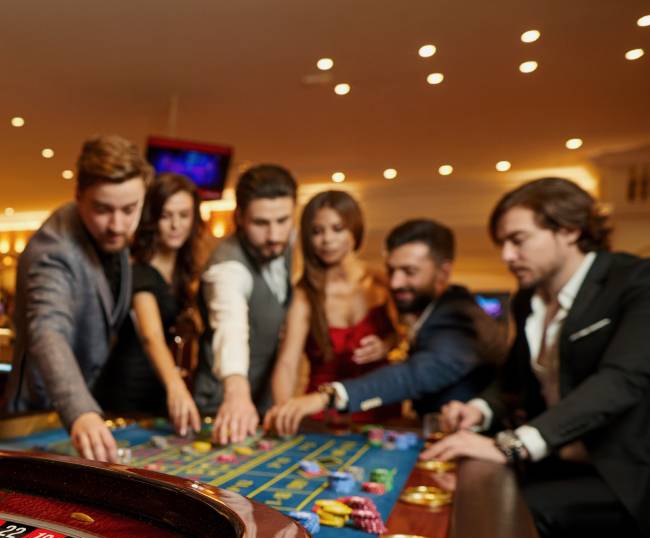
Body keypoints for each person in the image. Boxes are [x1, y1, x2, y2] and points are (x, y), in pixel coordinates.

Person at [426, 177, 650, 538]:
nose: (507, 256)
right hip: (555, 463)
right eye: (502, 244)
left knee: (500, 516)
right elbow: (512, 381)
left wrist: (513, 446)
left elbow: (620, 381)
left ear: (569, 229)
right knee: (463, 497)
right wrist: (479, 410)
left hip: (623, 479)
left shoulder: (638, 281)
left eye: (518, 240)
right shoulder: (527, 299)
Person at [265, 219, 504, 436]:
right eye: (391, 270)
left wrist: (327, 396)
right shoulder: (434, 313)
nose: (395, 282)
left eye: (409, 272)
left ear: (443, 272)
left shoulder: (461, 319)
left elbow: (413, 375)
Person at [5, 135, 153, 462]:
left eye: (130, 209)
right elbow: (48, 330)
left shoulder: (114, 237)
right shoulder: (54, 250)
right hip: (37, 415)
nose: (117, 225)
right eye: (102, 209)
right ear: (79, 197)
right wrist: (81, 410)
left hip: (81, 411)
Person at [266, 191, 397, 431]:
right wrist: (285, 410)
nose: (327, 239)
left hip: (380, 405)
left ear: (354, 230)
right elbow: (287, 362)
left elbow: (407, 335)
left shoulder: (381, 282)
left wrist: (386, 345)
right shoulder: (305, 294)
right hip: (324, 414)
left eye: (337, 228)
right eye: (317, 231)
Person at [194, 165, 296, 444]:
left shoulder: (290, 243)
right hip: (221, 404)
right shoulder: (227, 265)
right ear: (239, 217)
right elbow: (231, 324)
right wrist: (237, 390)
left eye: (283, 220)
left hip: (262, 400)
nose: (274, 235)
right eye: (261, 223)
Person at [95, 173, 204, 434]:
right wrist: (176, 387)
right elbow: (150, 336)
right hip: (127, 386)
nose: (176, 225)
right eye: (166, 216)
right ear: (152, 219)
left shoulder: (181, 271)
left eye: (184, 215)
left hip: (158, 385)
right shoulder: (139, 270)